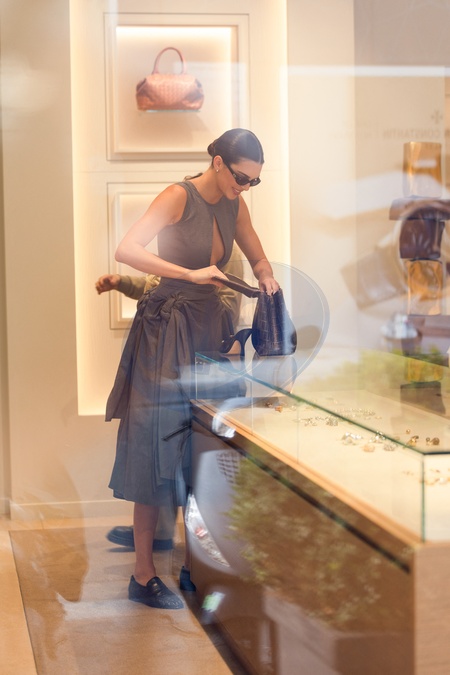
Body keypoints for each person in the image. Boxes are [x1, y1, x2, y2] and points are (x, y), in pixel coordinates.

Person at [105, 128, 279, 610]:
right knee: (155, 441)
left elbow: (257, 254)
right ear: (218, 162)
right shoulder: (178, 196)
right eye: (241, 177)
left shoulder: (236, 205)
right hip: (166, 330)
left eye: (254, 182)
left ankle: (195, 565)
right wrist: (189, 273)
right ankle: (143, 575)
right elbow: (127, 248)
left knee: (202, 446)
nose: (244, 187)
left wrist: (266, 275)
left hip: (209, 330)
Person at [96, 248, 244, 551]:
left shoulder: (225, 253)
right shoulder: (180, 245)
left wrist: (185, 302)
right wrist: (123, 282)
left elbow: (226, 308)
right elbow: (156, 285)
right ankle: (160, 532)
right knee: (159, 445)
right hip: (163, 363)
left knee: (189, 453)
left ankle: (196, 552)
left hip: (197, 368)